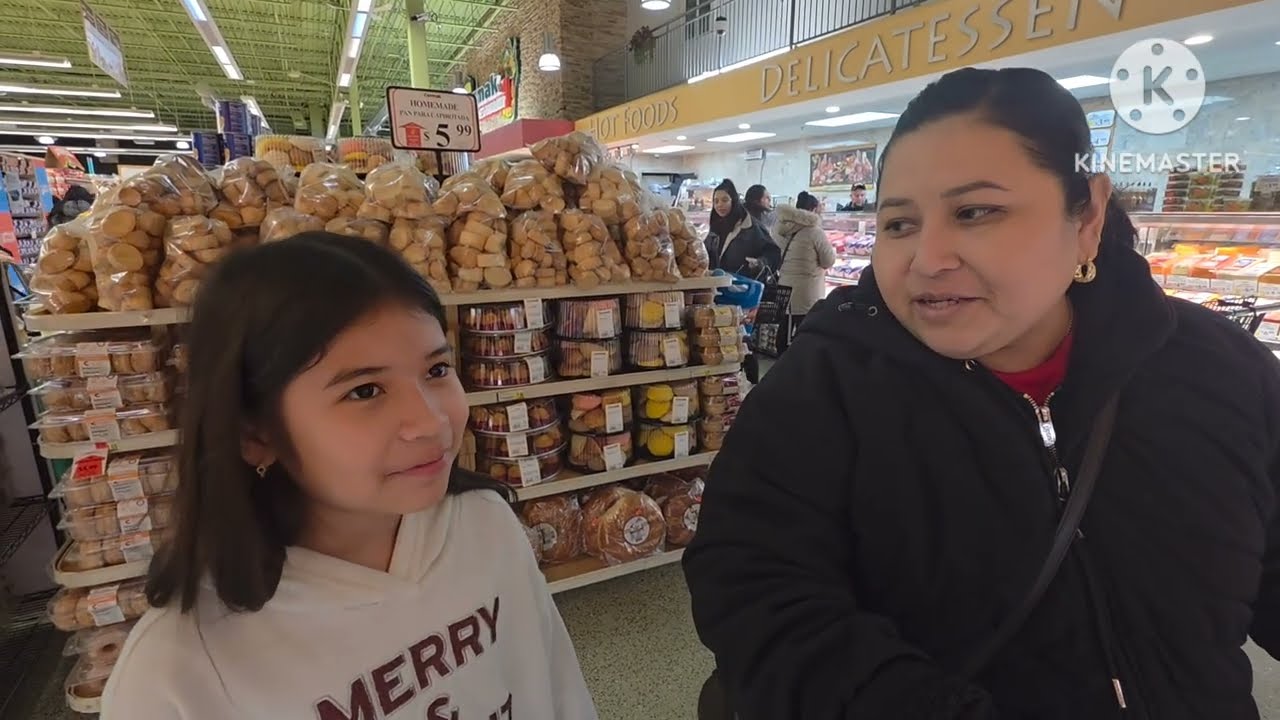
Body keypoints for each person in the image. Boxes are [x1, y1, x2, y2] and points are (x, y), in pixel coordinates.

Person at [684, 66, 1280, 720]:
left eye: (975, 212)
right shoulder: (823, 388)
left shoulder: (1222, 371)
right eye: (899, 224)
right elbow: (755, 594)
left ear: (1087, 216)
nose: (928, 258)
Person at [102, 234, 597, 719]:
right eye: (364, 391)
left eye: (436, 370)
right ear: (255, 434)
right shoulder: (179, 673)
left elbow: (559, 689)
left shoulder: (486, 524)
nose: (430, 422)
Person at [773, 191, 836, 331]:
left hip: (784, 290)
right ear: (813, 210)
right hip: (807, 293)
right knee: (806, 332)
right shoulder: (815, 232)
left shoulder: (780, 228)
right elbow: (828, 261)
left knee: (785, 331)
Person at [705, 179, 781, 279]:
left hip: (743, 285)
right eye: (716, 201)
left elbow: (773, 253)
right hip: (716, 284)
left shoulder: (751, 227)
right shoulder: (714, 227)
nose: (719, 205)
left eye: (725, 200)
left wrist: (759, 263)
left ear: (734, 200)